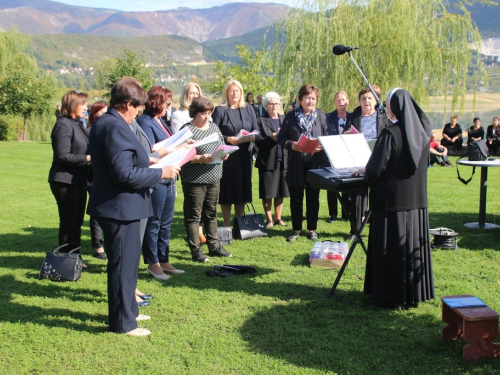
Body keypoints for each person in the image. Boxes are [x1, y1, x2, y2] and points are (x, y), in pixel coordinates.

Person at [87, 77, 180, 336]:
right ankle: (123, 323)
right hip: (120, 207)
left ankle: (131, 311)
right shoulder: (114, 126)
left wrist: (147, 163)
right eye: (137, 107)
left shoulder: (107, 123)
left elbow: (123, 164)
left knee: (127, 266)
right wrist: (160, 173)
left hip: (121, 205)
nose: (139, 112)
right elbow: (123, 174)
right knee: (122, 269)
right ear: (127, 103)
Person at [359, 88, 434, 308]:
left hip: (391, 203)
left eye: (387, 103)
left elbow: (374, 169)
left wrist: (363, 171)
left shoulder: (390, 133)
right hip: (416, 203)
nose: (385, 106)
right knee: (411, 250)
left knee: (391, 250)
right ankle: (412, 294)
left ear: (396, 106)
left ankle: (389, 295)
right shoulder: (422, 132)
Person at [137, 86, 184, 280]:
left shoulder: (160, 120)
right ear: (156, 102)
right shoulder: (145, 121)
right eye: (166, 103)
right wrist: (172, 148)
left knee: (166, 222)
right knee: (154, 222)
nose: (168, 106)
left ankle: (164, 259)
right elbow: (150, 149)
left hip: (169, 178)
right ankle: (153, 262)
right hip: (157, 178)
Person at [180, 97, 232, 263]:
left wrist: (224, 154)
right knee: (194, 215)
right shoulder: (186, 130)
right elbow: (181, 155)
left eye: (209, 113)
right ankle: (195, 250)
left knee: (211, 213)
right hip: (194, 179)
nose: (207, 117)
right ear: (194, 113)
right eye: (203, 113)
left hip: (214, 177)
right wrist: (200, 158)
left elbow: (221, 145)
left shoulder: (214, 127)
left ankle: (214, 246)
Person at [278, 84, 328, 242]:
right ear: (300, 99)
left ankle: (312, 229)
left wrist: (322, 146)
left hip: (315, 163)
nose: (310, 101)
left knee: (313, 197)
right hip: (296, 164)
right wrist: (291, 144)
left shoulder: (321, 116)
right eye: (307, 98)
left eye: (313, 98)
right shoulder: (291, 116)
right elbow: (281, 138)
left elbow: (327, 136)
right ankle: (296, 229)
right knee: (296, 198)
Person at [212, 79, 258, 226]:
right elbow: (214, 133)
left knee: (242, 187)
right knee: (227, 189)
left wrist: (252, 136)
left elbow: (257, 130)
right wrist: (228, 139)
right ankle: (226, 224)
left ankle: (240, 221)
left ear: (241, 92)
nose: (234, 93)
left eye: (237, 90)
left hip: (244, 155)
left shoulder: (248, 109)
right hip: (228, 157)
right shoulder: (220, 110)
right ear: (226, 92)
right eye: (231, 90)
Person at [344, 85, 389, 236]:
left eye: (370, 98)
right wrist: (346, 134)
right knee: (358, 196)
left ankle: (379, 229)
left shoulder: (383, 117)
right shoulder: (353, 117)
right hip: (359, 160)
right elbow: (345, 135)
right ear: (359, 101)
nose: (366, 101)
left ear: (376, 101)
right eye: (363, 98)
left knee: (379, 194)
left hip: (378, 159)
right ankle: (355, 230)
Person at [48, 90, 90, 249]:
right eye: (83, 104)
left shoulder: (77, 124)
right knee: (69, 223)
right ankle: (65, 259)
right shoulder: (63, 125)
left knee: (77, 222)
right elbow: (63, 156)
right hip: (65, 181)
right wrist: (88, 159)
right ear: (73, 105)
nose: (86, 107)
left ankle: (75, 259)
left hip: (78, 180)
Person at [255, 92, 289, 228]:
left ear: (280, 105)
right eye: (271, 103)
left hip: (284, 160)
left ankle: (278, 218)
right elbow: (258, 141)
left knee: (281, 191)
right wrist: (272, 137)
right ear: (265, 105)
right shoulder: (260, 120)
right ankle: (269, 219)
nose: (274, 106)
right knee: (268, 191)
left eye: (276, 103)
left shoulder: (285, 119)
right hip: (268, 161)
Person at [86, 101, 108, 260]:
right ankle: (98, 246)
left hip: (106, 175)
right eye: (101, 113)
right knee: (97, 212)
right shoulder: (89, 131)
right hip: (92, 176)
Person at [325, 90, 350, 223]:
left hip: (348, 155)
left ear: (348, 101)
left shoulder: (353, 117)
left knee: (347, 183)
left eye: (343, 99)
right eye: (338, 100)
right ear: (334, 102)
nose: (341, 102)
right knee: (332, 184)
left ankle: (346, 213)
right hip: (332, 154)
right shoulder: (328, 117)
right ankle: (333, 214)